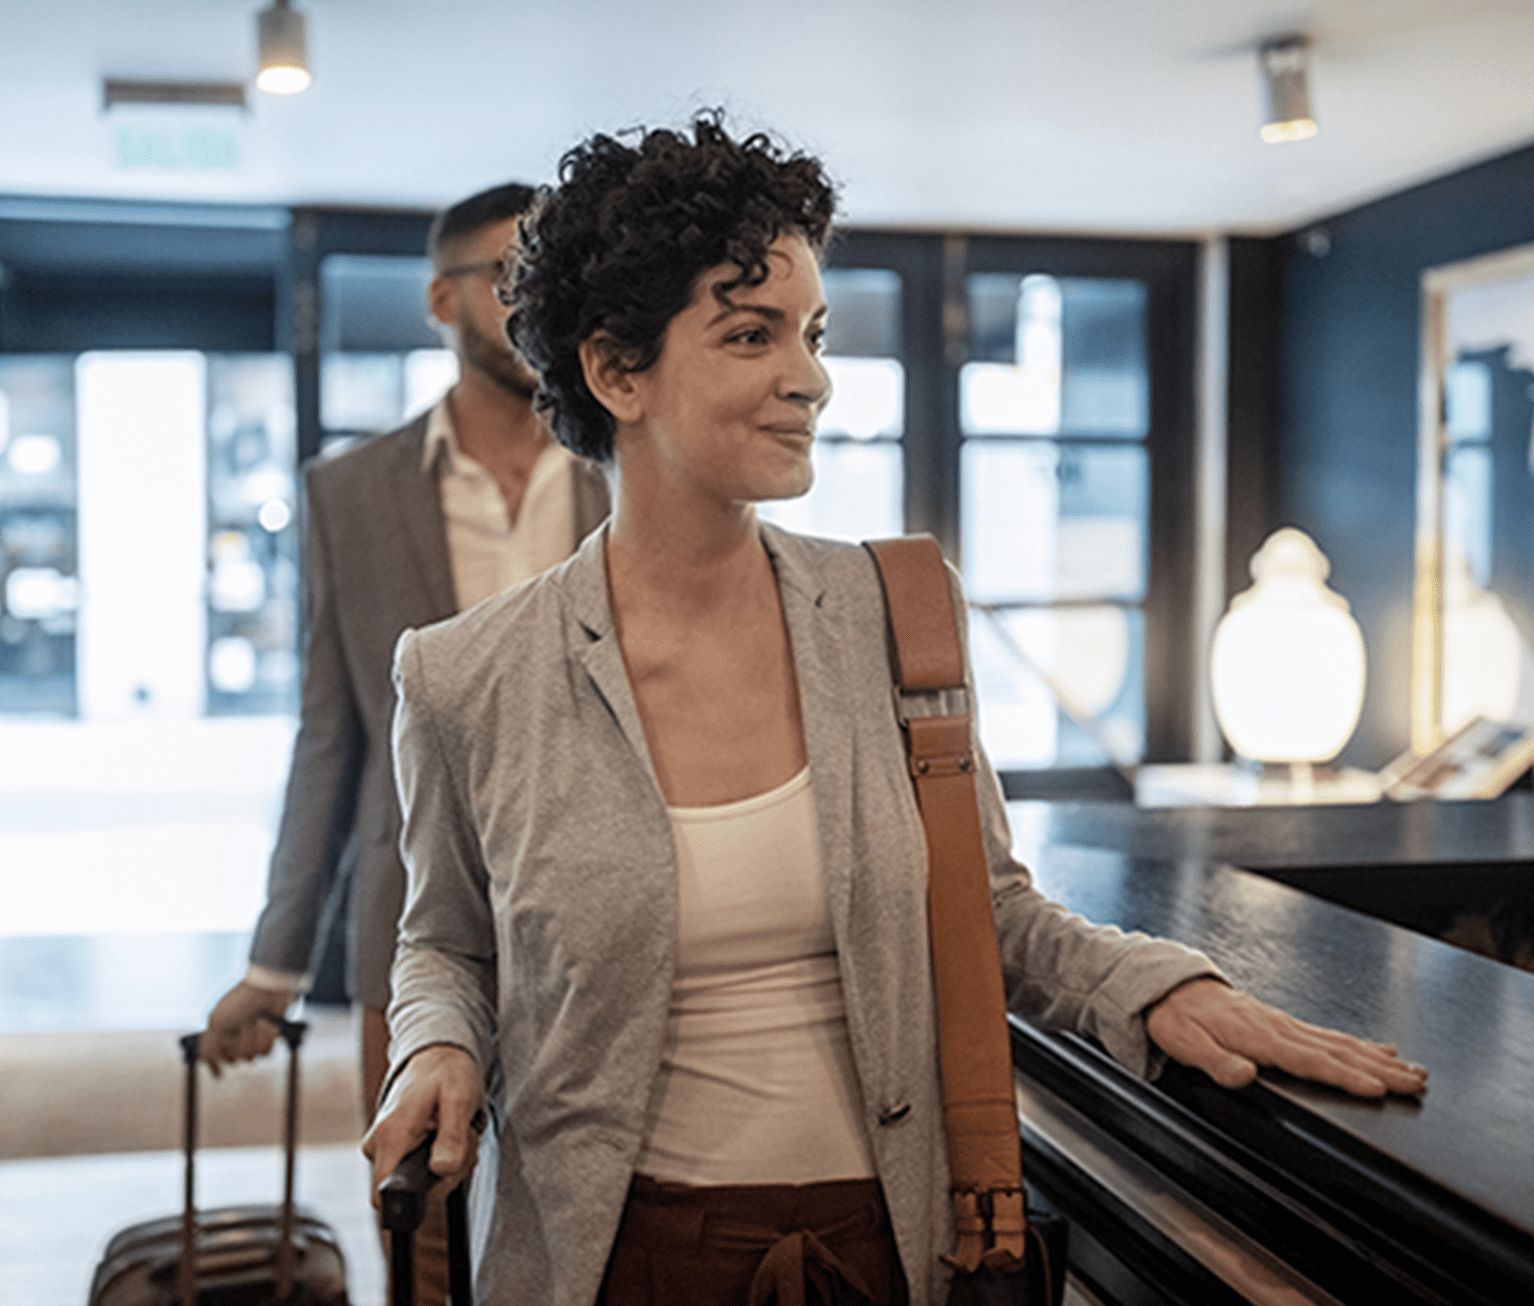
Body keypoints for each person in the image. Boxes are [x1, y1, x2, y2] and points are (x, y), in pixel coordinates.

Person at [362, 116, 1427, 1306]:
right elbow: (446, 940)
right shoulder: (465, 675)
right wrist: (438, 1042)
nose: (810, 376)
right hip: (609, 1258)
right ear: (618, 371)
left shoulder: (893, 609)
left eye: (813, 334)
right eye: (751, 334)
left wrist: (1162, 986)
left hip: (889, 1246)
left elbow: (990, 909)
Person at [197, 183, 610, 1302]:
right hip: (416, 918)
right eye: (508, 278)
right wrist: (276, 963)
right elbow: (329, 732)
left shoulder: (630, 469)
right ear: (441, 298)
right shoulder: (349, 493)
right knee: (425, 1223)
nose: (538, 308)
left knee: (599, 1213)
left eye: (554, 284)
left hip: (612, 910)